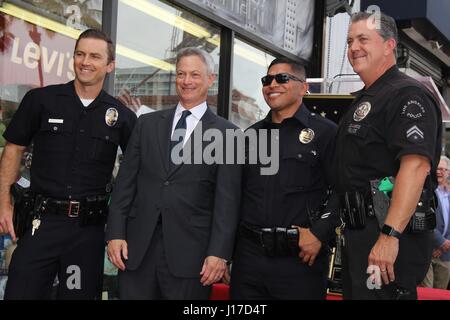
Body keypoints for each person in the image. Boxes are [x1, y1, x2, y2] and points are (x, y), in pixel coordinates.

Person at [0, 29, 136, 299]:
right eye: (80, 54)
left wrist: (121, 228)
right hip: (40, 225)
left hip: (87, 234)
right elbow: (14, 149)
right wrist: (4, 203)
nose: (85, 61)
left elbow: (135, 172)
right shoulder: (41, 100)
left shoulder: (122, 116)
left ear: (109, 65)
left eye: (95, 56)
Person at [106, 47, 242, 300]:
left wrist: (219, 254)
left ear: (210, 80)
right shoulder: (146, 124)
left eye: (195, 75)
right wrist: (115, 234)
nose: (186, 81)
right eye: (181, 74)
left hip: (192, 259)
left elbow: (228, 202)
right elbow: (125, 184)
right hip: (137, 252)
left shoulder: (228, 135)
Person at [335, 11, 442, 299]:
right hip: (360, 236)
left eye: (363, 39)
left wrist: (389, 236)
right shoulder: (366, 99)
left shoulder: (407, 95)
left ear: (389, 45)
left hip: (386, 239)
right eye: (349, 41)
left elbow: (416, 166)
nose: (354, 47)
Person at [229, 57, 339, 299]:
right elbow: (234, 196)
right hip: (249, 261)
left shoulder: (326, 133)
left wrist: (319, 233)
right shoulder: (249, 135)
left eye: (282, 78)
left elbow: (343, 189)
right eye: (267, 79)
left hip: (299, 260)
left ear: (304, 86)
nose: (272, 84)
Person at [422, 156, 450, 289]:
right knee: (427, 292)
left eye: (444, 169)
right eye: (438, 168)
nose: (440, 172)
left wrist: (446, 244)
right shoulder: (426, 191)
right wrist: (440, 242)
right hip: (427, 250)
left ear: (448, 173)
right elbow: (424, 218)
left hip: (446, 254)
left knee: (441, 293)